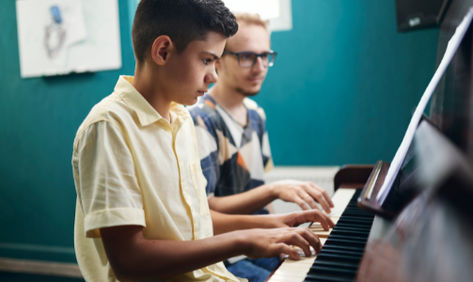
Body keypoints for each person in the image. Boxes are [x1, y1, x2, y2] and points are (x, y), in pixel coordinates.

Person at [72, 1, 334, 281]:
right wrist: (243, 241)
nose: (213, 75)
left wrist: (271, 224)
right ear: (163, 51)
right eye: (207, 60)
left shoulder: (182, 120)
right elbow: (129, 260)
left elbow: (194, 224)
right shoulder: (109, 127)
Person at [188, 13, 336, 280]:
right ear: (219, 60)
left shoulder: (256, 115)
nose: (259, 67)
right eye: (247, 56)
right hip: (226, 257)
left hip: (261, 243)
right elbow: (205, 210)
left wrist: (279, 243)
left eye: (265, 56)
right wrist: (273, 190)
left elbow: (259, 193)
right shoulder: (201, 119)